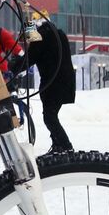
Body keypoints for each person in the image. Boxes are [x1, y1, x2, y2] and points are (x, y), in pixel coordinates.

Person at [27, 15, 76, 152]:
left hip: (53, 84)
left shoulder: (41, 37)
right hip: (65, 81)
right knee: (51, 115)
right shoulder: (58, 33)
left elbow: (30, 58)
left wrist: (12, 68)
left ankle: (66, 146)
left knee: (49, 117)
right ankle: (58, 146)